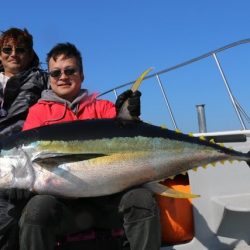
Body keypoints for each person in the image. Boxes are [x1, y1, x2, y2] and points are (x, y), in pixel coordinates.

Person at [20, 42, 161, 250]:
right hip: (66, 209)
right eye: (56, 73)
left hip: (110, 203)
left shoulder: (103, 108)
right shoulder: (38, 113)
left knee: (142, 199)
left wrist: (130, 117)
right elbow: (25, 159)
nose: (63, 77)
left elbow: (132, 147)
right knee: (36, 209)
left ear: (82, 75)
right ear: (49, 78)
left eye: (70, 70)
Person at [0, 27, 48, 249]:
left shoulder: (42, 81)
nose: (13, 54)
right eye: (7, 49)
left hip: (24, 161)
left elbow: (70, 100)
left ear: (29, 54)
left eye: (20, 49)